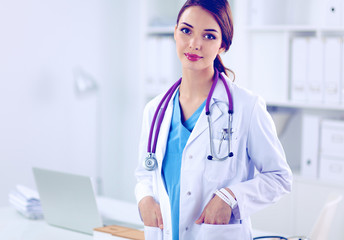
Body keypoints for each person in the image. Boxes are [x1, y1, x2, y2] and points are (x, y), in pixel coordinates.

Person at [135, 0, 293, 239]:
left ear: (223, 45)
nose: (194, 44)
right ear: (175, 32)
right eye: (186, 30)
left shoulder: (246, 107)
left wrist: (231, 198)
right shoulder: (155, 110)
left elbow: (279, 178)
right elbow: (146, 173)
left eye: (209, 36)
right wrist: (144, 197)